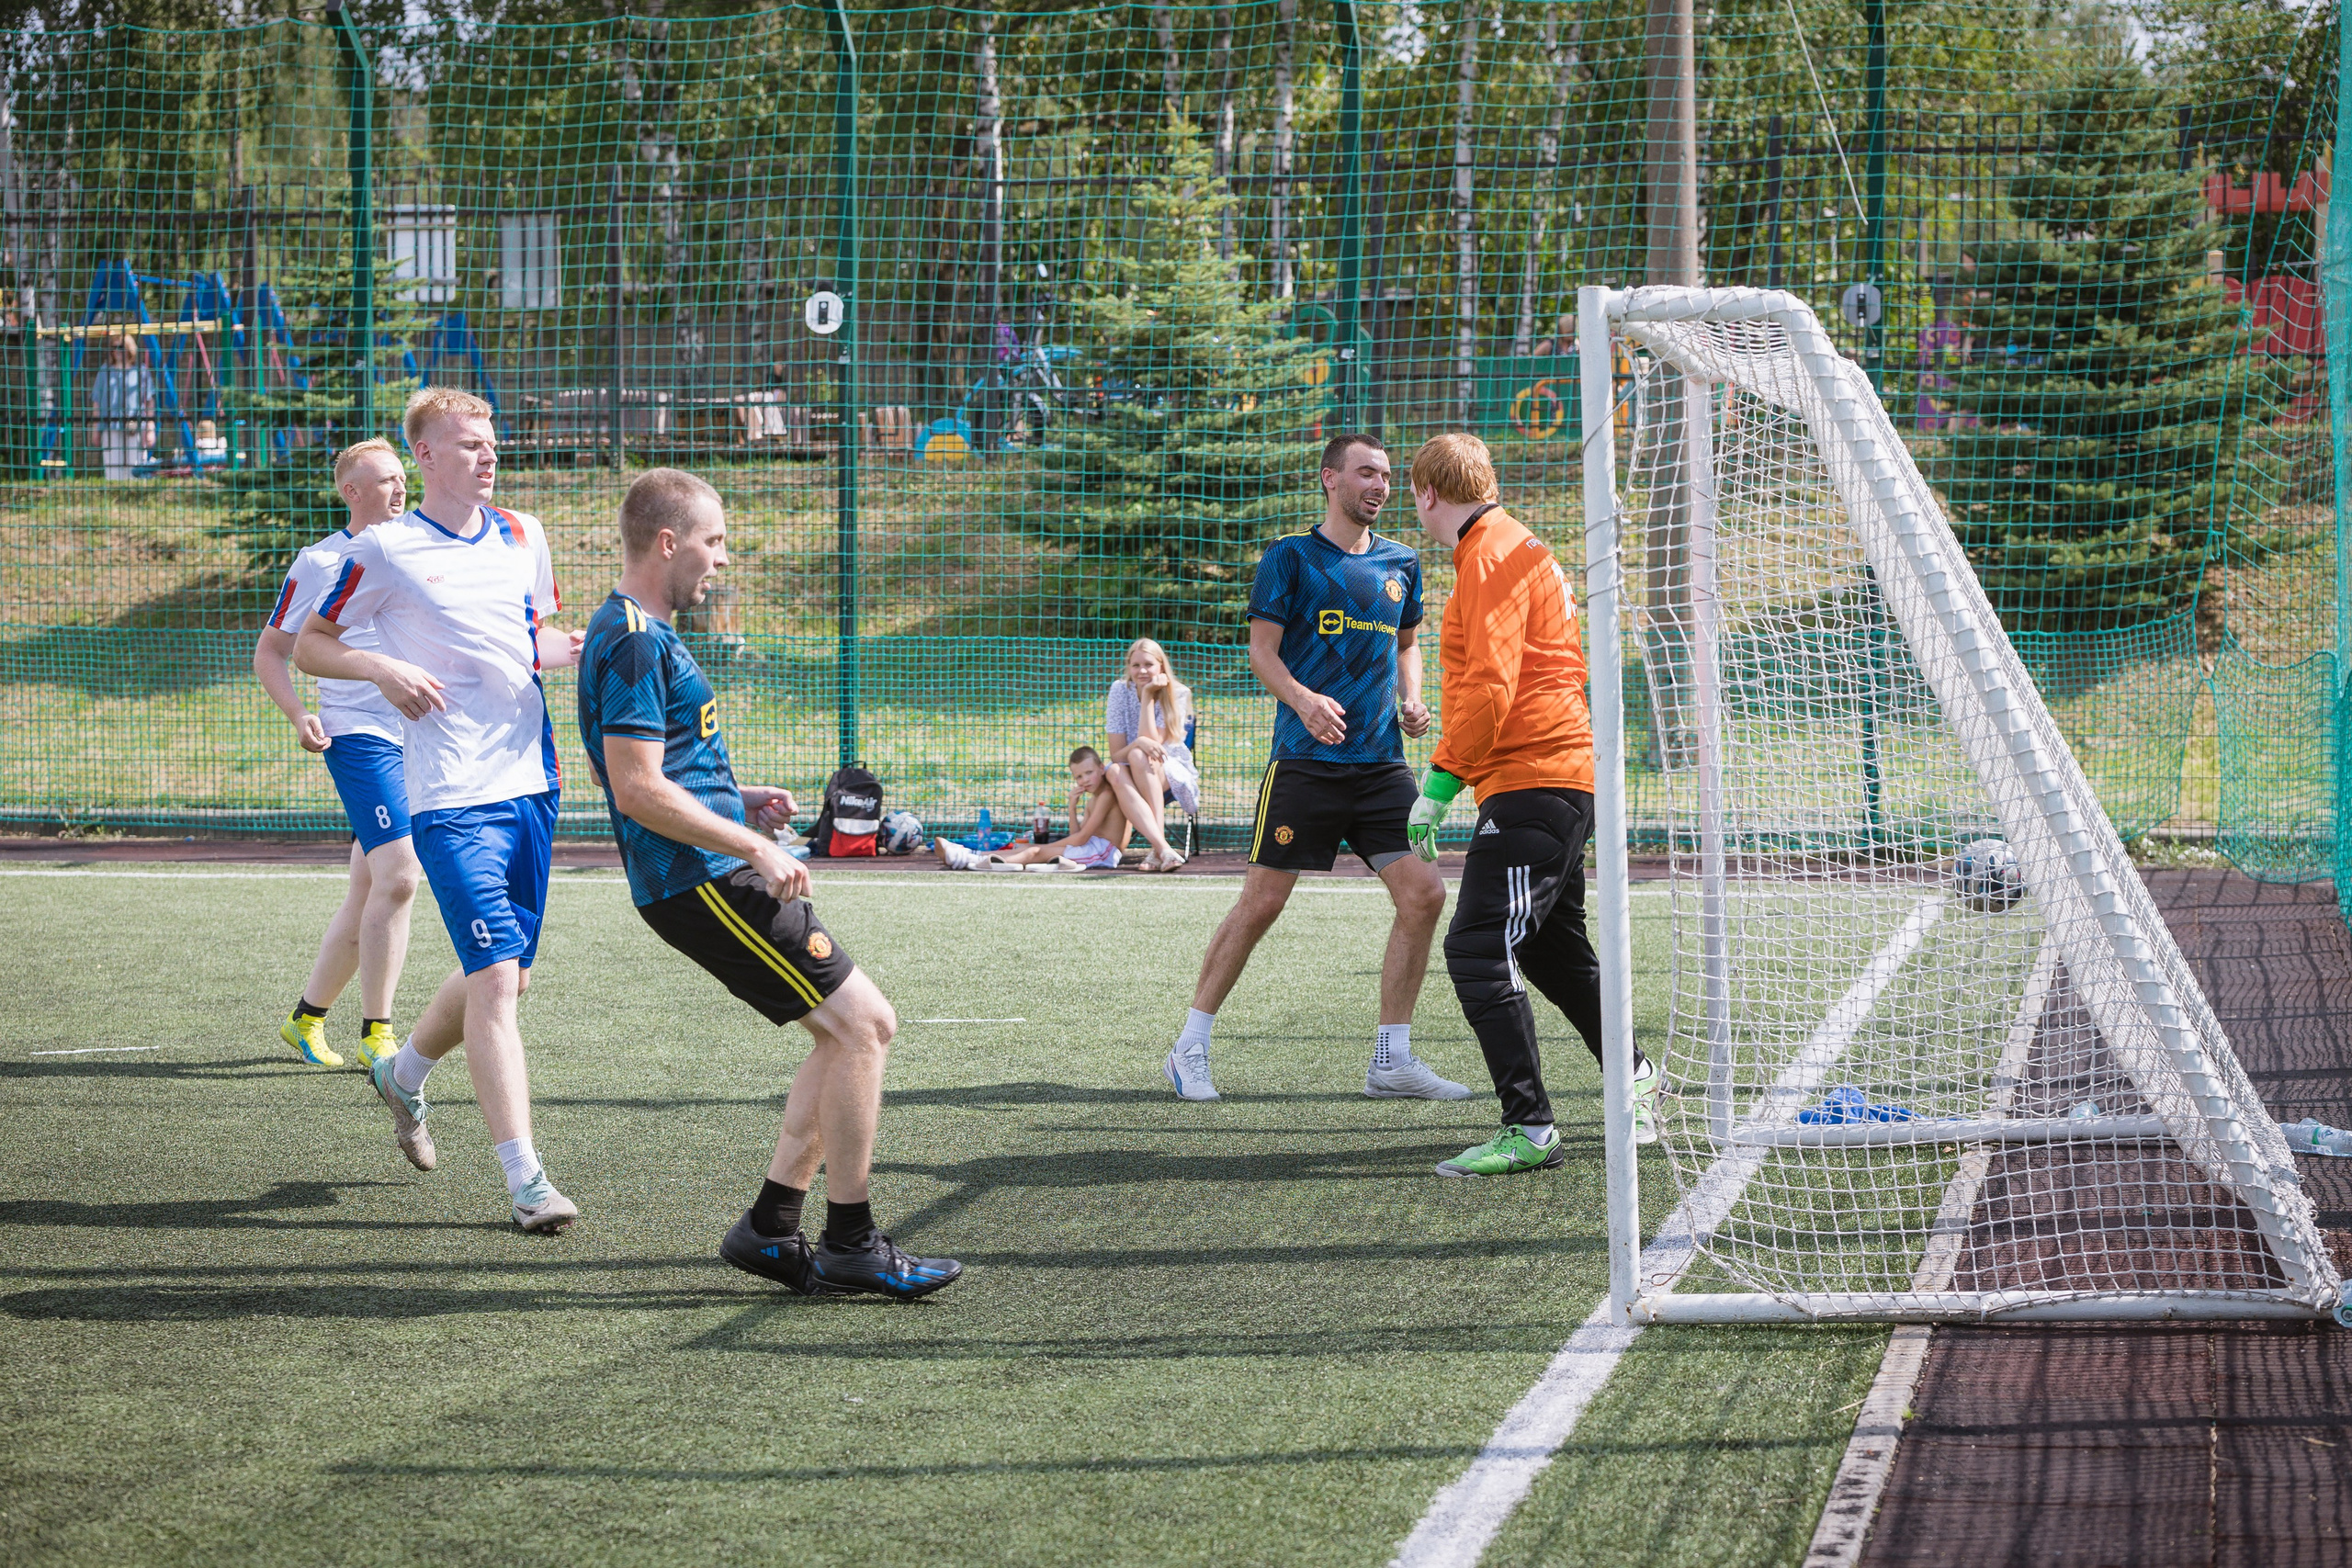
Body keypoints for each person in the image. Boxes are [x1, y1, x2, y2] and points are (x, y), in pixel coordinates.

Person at [579, 468, 960, 1299]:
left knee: (847, 1030)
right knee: (865, 1026)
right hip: (703, 877)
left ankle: (770, 1227)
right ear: (669, 541)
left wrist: (739, 800)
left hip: (705, 867)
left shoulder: (641, 629)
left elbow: (665, 769)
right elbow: (636, 786)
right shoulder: (637, 637)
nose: (723, 559)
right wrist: (751, 843)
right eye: (713, 542)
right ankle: (852, 1241)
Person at [294, 387, 586, 1233]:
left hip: (531, 784)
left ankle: (405, 1072)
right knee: (496, 979)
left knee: (511, 974)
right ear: (424, 457)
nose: (488, 454)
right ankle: (528, 1180)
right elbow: (312, 643)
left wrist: (611, 640)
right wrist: (382, 671)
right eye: (467, 444)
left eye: (491, 441)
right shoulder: (385, 550)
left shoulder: (524, 534)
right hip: (450, 794)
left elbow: (534, 639)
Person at [1159, 431, 1469, 1103]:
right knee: (1263, 901)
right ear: (1329, 479)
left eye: (1386, 476)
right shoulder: (1290, 558)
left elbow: (1408, 644)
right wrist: (1302, 701)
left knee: (1425, 894)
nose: (1380, 486)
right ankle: (1189, 1047)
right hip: (1305, 763)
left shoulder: (1403, 563)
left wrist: (1413, 698)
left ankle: (1392, 1059)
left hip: (1383, 763)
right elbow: (1262, 653)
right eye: (1365, 473)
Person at [1399, 433, 1661, 1178]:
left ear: (1427, 494)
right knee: (1551, 948)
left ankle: (1530, 1126)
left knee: (1477, 945)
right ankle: (1639, 1079)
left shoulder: (1488, 552)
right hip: (1558, 774)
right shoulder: (1512, 543)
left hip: (1533, 776)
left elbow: (1490, 682)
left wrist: (1440, 783)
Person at [253, 437, 424, 1071]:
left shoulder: (422, 551)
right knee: (401, 875)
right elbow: (272, 649)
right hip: (359, 737)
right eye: (385, 480)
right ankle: (378, 1032)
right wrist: (300, 713)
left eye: (402, 477)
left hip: (421, 738)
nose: (400, 488)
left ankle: (305, 1019)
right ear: (351, 491)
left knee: (369, 887)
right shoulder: (321, 561)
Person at [934, 745, 1142, 872]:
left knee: (1034, 851)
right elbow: (1077, 835)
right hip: (1092, 848)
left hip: (1104, 854)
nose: (1084, 780)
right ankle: (972, 853)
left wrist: (1051, 847)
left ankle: (967, 860)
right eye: (1078, 776)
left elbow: (1079, 840)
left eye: (1089, 773)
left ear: (1101, 769)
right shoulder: (1091, 800)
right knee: (1025, 849)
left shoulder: (1107, 795)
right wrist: (1072, 807)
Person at [1104, 637, 1196, 872]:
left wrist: (1147, 696)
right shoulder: (1118, 690)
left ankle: (1157, 850)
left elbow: (1155, 748)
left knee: (1139, 756)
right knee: (1115, 770)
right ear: (1128, 667)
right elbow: (1116, 756)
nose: (1142, 671)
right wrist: (1140, 742)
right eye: (1135, 665)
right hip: (1129, 766)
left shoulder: (1178, 693)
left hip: (1168, 765)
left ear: (1161, 667)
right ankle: (1163, 849)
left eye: (1148, 664)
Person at [91, 336, 153, 480]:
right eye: (114, 347)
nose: (117, 350)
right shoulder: (104, 371)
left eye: (121, 347)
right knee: (113, 468)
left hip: (134, 426)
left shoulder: (141, 371)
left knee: (135, 467)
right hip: (110, 425)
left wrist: (150, 427)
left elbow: (149, 401)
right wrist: (95, 429)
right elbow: (96, 402)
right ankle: (115, 497)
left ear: (129, 348)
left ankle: (135, 496)